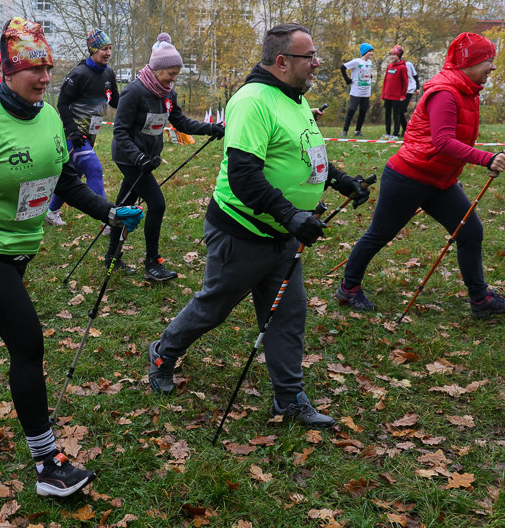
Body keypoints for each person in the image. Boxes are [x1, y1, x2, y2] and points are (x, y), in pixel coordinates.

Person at [0, 17, 144, 497]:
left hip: (20, 252)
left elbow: (64, 179)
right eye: (35, 69)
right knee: (27, 344)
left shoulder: (49, 117)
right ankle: (49, 465)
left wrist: (108, 212)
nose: (46, 78)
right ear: (9, 70)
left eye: (49, 68)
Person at [148, 23, 369, 429]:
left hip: (285, 233)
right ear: (283, 62)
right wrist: (290, 214)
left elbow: (306, 152)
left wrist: (342, 181)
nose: (318, 63)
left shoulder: (295, 98)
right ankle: (163, 351)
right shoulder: (253, 101)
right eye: (310, 57)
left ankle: (289, 398)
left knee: (287, 314)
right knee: (214, 307)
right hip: (242, 229)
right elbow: (244, 176)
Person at [336, 33, 505, 319]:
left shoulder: (467, 91)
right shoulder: (446, 92)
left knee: (470, 231)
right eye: (488, 61)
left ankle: (481, 300)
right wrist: (488, 159)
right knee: (380, 234)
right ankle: (348, 288)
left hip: (440, 181)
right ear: (469, 63)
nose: (493, 67)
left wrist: (451, 172)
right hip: (408, 177)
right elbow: (444, 141)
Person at [106, 33, 224, 280]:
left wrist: (211, 129)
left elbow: (180, 122)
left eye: (176, 74)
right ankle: (152, 263)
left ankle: (111, 258)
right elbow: (120, 131)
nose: (173, 79)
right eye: (170, 73)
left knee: (123, 207)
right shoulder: (134, 92)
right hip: (130, 159)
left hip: (148, 159)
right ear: (157, 68)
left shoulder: (168, 93)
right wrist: (138, 158)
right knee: (157, 204)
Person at [44, 29, 119, 226]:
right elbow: (61, 103)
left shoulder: (109, 73)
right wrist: (72, 131)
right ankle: (107, 220)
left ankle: (51, 212)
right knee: (94, 169)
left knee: (74, 176)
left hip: (91, 135)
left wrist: (137, 104)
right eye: (104, 48)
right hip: (74, 136)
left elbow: (116, 102)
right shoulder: (79, 74)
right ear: (93, 49)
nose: (108, 52)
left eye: (110, 48)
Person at [340, 43, 374, 137]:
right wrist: (347, 80)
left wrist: (370, 76)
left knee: (363, 112)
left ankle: (358, 131)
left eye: (372, 51)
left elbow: (366, 72)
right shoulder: (357, 61)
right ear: (365, 52)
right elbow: (343, 68)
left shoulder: (369, 62)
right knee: (351, 110)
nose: (372, 53)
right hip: (356, 91)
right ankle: (345, 131)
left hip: (366, 91)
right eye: (370, 51)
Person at [381, 45, 409, 141]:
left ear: (399, 56)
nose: (392, 57)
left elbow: (405, 82)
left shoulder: (402, 68)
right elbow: (386, 81)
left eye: (395, 55)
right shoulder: (389, 66)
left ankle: (395, 134)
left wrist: (403, 95)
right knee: (387, 114)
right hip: (387, 96)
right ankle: (387, 133)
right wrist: (383, 94)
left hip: (397, 97)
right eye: (391, 55)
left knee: (396, 115)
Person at [398, 45, 419, 137]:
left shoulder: (409, 65)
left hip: (409, 89)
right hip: (399, 91)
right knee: (398, 110)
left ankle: (405, 130)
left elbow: (415, 76)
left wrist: (417, 88)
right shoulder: (394, 66)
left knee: (401, 110)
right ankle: (400, 130)